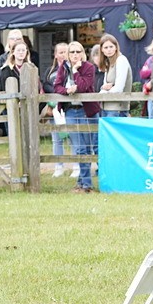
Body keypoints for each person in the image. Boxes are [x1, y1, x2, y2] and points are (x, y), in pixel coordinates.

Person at [55, 42, 100, 193]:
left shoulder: (88, 67)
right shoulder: (63, 67)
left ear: (82, 53)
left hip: (86, 111)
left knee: (87, 147)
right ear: (68, 54)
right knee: (80, 148)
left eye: (78, 51)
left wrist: (75, 71)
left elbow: (83, 86)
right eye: (72, 52)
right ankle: (85, 183)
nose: (75, 54)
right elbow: (57, 86)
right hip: (70, 111)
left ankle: (83, 182)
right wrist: (67, 90)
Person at [42, 41, 74, 178]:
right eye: (60, 52)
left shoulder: (73, 70)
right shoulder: (49, 71)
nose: (64, 55)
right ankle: (58, 166)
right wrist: (57, 92)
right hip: (55, 109)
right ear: (55, 55)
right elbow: (46, 85)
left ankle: (76, 165)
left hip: (69, 108)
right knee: (57, 139)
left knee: (73, 137)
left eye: (66, 52)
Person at [96, 34, 132, 118]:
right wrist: (104, 88)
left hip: (118, 108)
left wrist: (106, 90)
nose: (109, 50)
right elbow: (104, 87)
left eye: (111, 46)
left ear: (116, 47)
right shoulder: (108, 62)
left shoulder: (121, 60)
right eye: (106, 47)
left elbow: (119, 88)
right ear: (101, 50)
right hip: (105, 107)